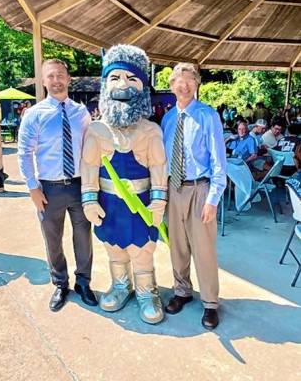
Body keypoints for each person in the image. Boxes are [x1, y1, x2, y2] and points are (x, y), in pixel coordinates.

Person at [81, 45, 168, 324]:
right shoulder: (95, 130)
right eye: (115, 78)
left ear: (143, 87)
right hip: (108, 203)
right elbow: (89, 166)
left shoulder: (151, 130)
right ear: (105, 84)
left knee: (142, 250)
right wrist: (89, 199)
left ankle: (146, 291)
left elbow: (158, 167)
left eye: (132, 79)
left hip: (141, 202)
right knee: (114, 248)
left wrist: (159, 200)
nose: (123, 85)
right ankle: (121, 285)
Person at [18, 59, 97, 312]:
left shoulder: (81, 113)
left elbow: (91, 149)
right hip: (48, 189)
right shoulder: (34, 115)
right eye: (50, 76)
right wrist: (33, 188)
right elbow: (24, 153)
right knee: (53, 240)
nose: (56, 80)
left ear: (68, 78)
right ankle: (60, 284)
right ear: (43, 81)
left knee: (83, 237)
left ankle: (83, 283)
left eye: (60, 75)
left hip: (79, 185)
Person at [161, 63, 226, 330]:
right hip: (173, 188)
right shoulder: (167, 119)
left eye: (189, 80)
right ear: (172, 85)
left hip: (200, 188)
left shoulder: (208, 116)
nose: (184, 85)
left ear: (197, 84)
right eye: (179, 80)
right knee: (177, 245)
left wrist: (213, 199)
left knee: (204, 249)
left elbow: (218, 160)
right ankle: (182, 291)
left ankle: (210, 303)